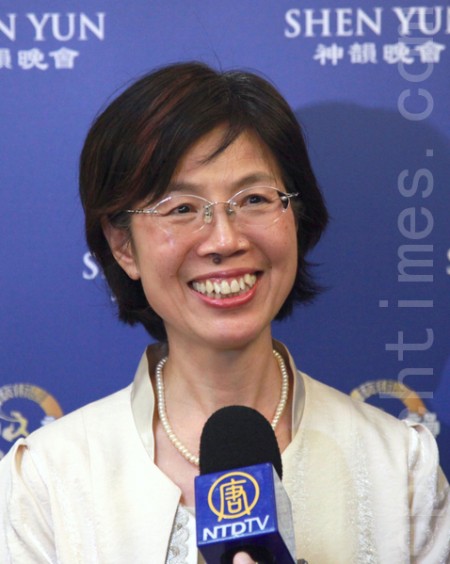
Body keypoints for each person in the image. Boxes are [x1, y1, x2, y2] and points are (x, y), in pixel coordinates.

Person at [0, 61, 449, 564]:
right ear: (123, 246)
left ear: (296, 218)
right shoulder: (46, 481)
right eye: (181, 208)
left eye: (254, 199)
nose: (224, 239)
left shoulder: (399, 468)